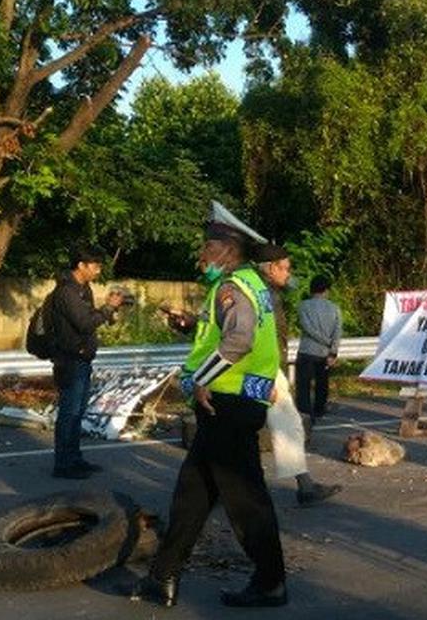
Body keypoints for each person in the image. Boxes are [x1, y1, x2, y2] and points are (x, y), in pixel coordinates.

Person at [131, 203, 287, 608]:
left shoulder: (232, 287)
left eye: (207, 247)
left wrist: (201, 378)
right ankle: (163, 576)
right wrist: (191, 326)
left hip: (226, 404)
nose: (201, 256)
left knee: (245, 499)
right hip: (234, 401)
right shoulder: (254, 285)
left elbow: (240, 340)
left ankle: (271, 582)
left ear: (227, 249)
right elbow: (247, 339)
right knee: (192, 493)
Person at [254, 244, 343, 506]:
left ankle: (304, 485)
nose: (289, 275)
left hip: (271, 366)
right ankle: (302, 486)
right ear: (272, 268)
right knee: (276, 424)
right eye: (286, 269)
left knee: (287, 421)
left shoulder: (273, 293)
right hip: (261, 369)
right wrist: (331, 348)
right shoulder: (259, 292)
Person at [45, 248, 123, 479]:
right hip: (69, 359)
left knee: (78, 412)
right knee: (69, 412)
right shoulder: (67, 291)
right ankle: (63, 464)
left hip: (83, 358)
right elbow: (85, 323)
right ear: (81, 265)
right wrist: (108, 307)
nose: (98, 271)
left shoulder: (83, 289)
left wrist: (108, 311)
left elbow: (90, 318)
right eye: (95, 266)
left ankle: (75, 458)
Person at [295, 275, 342, 421]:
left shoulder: (303, 306)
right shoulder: (335, 308)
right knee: (322, 384)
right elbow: (338, 332)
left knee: (303, 385)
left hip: (307, 351)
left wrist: (325, 341)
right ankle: (319, 410)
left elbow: (307, 328)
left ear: (311, 289)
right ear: (326, 290)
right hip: (325, 353)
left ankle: (305, 414)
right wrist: (333, 350)